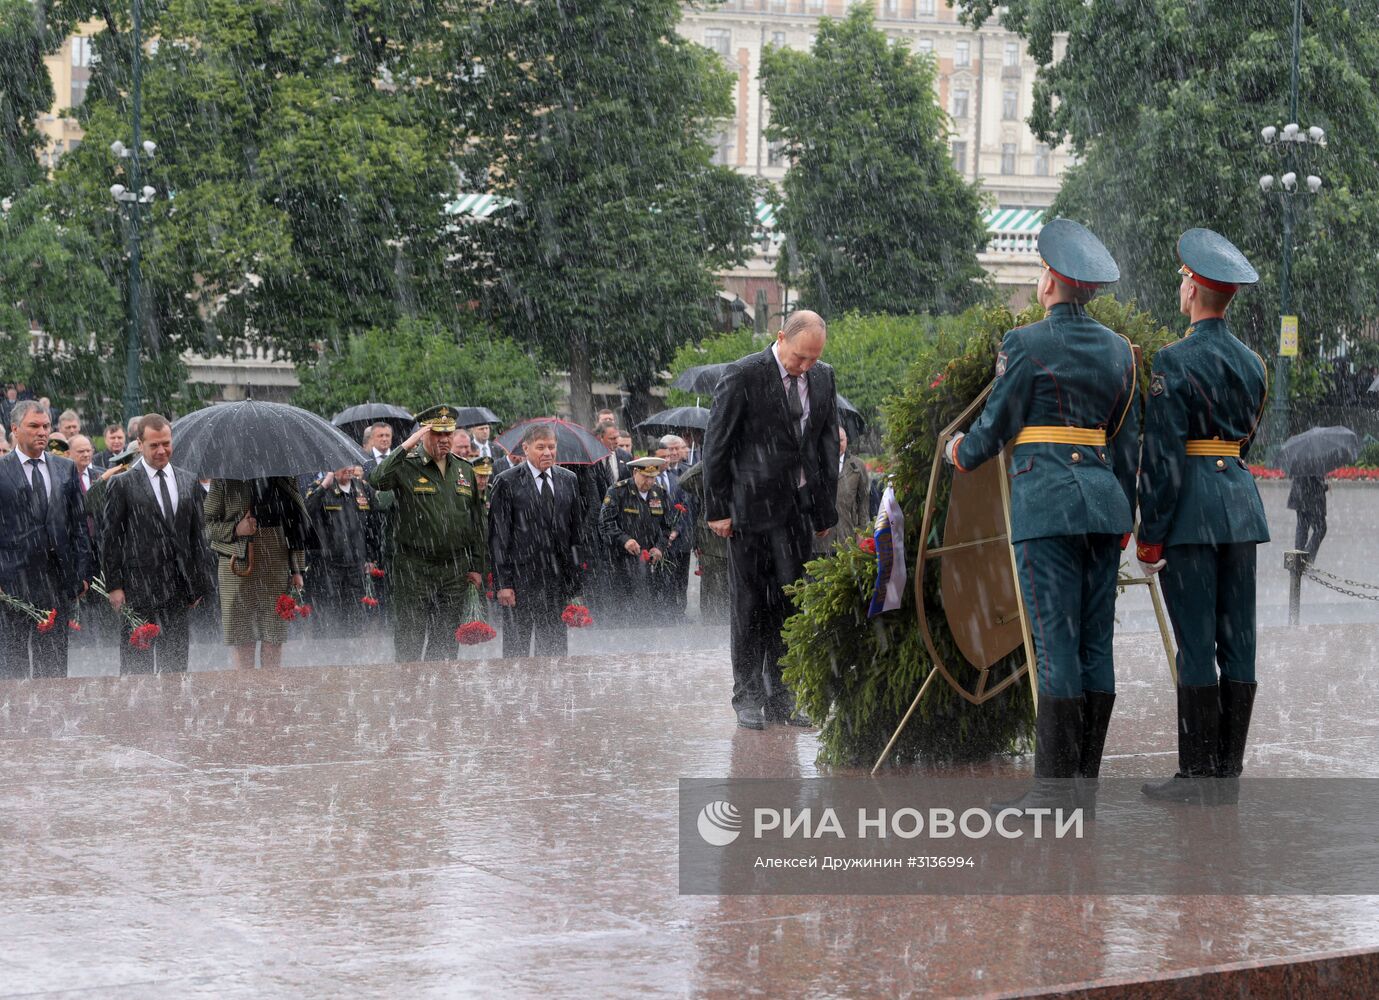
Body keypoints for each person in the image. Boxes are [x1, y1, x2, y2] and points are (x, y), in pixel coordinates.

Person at [943, 219, 1137, 815]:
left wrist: (960, 450)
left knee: (1054, 646)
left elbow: (996, 424)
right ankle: (1084, 787)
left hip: (1046, 501)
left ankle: (1053, 794)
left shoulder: (1024, 343)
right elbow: (1128, 443)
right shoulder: (1120, 351)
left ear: (1050, 281)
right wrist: (1124, 511)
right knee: (1094, 645)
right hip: (1104, 506)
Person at [1137, 229, 1269, 806]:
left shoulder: (1173, 360)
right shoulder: (1253, 362)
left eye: (1183, 279)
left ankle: (1196, 773)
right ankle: (1227, 771)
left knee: (1195, 644)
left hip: (1191, 512)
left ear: (1194, 289)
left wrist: (1150, 534)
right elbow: (1245, 439)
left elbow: (1164, 457)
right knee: (1238, 641)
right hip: (1240, 509)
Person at [703, 310, 840, 730]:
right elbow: (717, 443)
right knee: (749, 606)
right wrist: (717, 508)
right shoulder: (744, 374)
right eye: (800, 358)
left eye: (814, 359)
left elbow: (826, 441)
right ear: (781, 338)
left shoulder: (823, 377)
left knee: (789, 605)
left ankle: (784, 697)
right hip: (748, 511)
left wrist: (824, 509)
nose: (806, 367)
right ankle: (746, 696)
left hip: (796, 513)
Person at [369, 405, 487, 661]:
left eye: (449, 434)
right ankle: (410, 696)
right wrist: (406, 446)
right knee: (410, 638)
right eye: (437, 434)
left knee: (445, 643)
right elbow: (377, 480)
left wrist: (477, 567)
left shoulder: (463, 469)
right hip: (414, 568)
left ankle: (441, 696)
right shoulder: (406, 466)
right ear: (423, 434)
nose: (445, 440)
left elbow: (477, 522)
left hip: (454, 569)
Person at [100, 414, 213, 674]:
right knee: (136, 668)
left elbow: (198, 537)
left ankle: (172, 713)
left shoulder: (188, 480)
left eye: (166, 443)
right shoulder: (122, 483)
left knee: (175, 666)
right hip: (137, 589)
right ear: (140, 444)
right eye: (154, 445)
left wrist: (198, 583)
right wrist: (114, 586)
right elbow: (110, 538)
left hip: (177, 588)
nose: (162, 450)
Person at [0, 400, 92, 678]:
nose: (42, 432)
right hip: (11, 584)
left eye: (46, 426)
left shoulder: (65, 469)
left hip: (56, 581)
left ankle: (53, 718)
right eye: (34, 426)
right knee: (12, 665)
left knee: (53, 665)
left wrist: (82, 572)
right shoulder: (1, 471)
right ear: (15, 429)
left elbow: (79, 525)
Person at [488, 423, 585, 657]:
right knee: (516, 650)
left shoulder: (568, 479)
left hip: (556, 580)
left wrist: (576, 583)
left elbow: (575, 532)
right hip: (520, 580)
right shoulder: (507, 481)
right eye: (540, 447)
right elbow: (498, 536)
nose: (547, 452)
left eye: (551, 447)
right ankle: (515, 693)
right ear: (526, 448)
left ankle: (551, 692)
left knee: (553, 649)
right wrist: (503, 584)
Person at [204, 475, 312, 670]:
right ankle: (246, 694)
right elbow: (207, 525)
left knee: (274, 636)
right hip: (237, 567)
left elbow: (295, 524)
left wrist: (297, 570)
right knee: (243, 638)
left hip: (276, 561)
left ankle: (270, 694)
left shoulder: (285, 474)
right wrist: (236, 529)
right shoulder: (225, 477)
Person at [304, 465, 382, 636]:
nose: (348, 469)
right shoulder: (319, 487)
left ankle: (353, 655)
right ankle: (327, 655)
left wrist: (371, 556)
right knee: (327, 613)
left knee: (355, 614)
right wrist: (324, 485)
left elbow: (374, 525)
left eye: (350, 465)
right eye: (342, 465)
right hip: (328, 564)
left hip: (356, 563)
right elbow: (307, 512)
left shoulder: (362, 488)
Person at [598, 456, 676, 620]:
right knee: (618, 611)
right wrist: (624, 539)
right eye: (645, 476)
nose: (649, 482)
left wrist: (659, 547)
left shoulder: (659, 493)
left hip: (646, 562)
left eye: (653, 477)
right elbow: (605, 523)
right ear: (635, 472)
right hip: (618, 561)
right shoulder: (618, 491)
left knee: (644, 609)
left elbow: (666, 526)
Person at [677, 460, 728, 621]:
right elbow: (686, 482)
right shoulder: (716, 461)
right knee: (715, 595)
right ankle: (714, 632)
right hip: (715, 543)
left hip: (749, 534)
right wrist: (712, 455)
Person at [814, 425, 871, 554]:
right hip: (822, 540)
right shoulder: (816, 465)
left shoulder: (857, 465)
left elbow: (864, 501)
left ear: (846, 440)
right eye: (833, 440)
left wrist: (862, 531)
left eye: (841, 440)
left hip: (847, 535)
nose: (837, 444)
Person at [1288, 474, 1327, 564]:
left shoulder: (1300, 462)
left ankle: (1298, 560)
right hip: (1312, 499)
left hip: (1299, 496)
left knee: (1302, 528)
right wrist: (1325, 486)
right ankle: (1306, 559)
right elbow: (1315, 482)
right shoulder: (1314, 462)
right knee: (1320, 529)